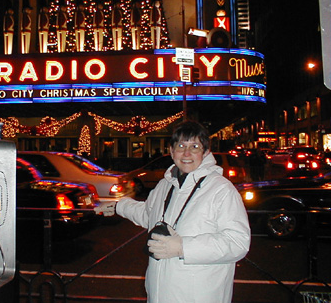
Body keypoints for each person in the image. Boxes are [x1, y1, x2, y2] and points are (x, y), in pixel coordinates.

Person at [95, 121, 250, 303]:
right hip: (160, 293)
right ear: (171, 151)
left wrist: (182, 247)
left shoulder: (221, 190)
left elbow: (237, 242)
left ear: (206, 152)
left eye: (195, 146)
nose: (186, 153)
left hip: (200, 296)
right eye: (181, 146)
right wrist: (119, 206)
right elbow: (148, 214)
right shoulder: (165, 184)